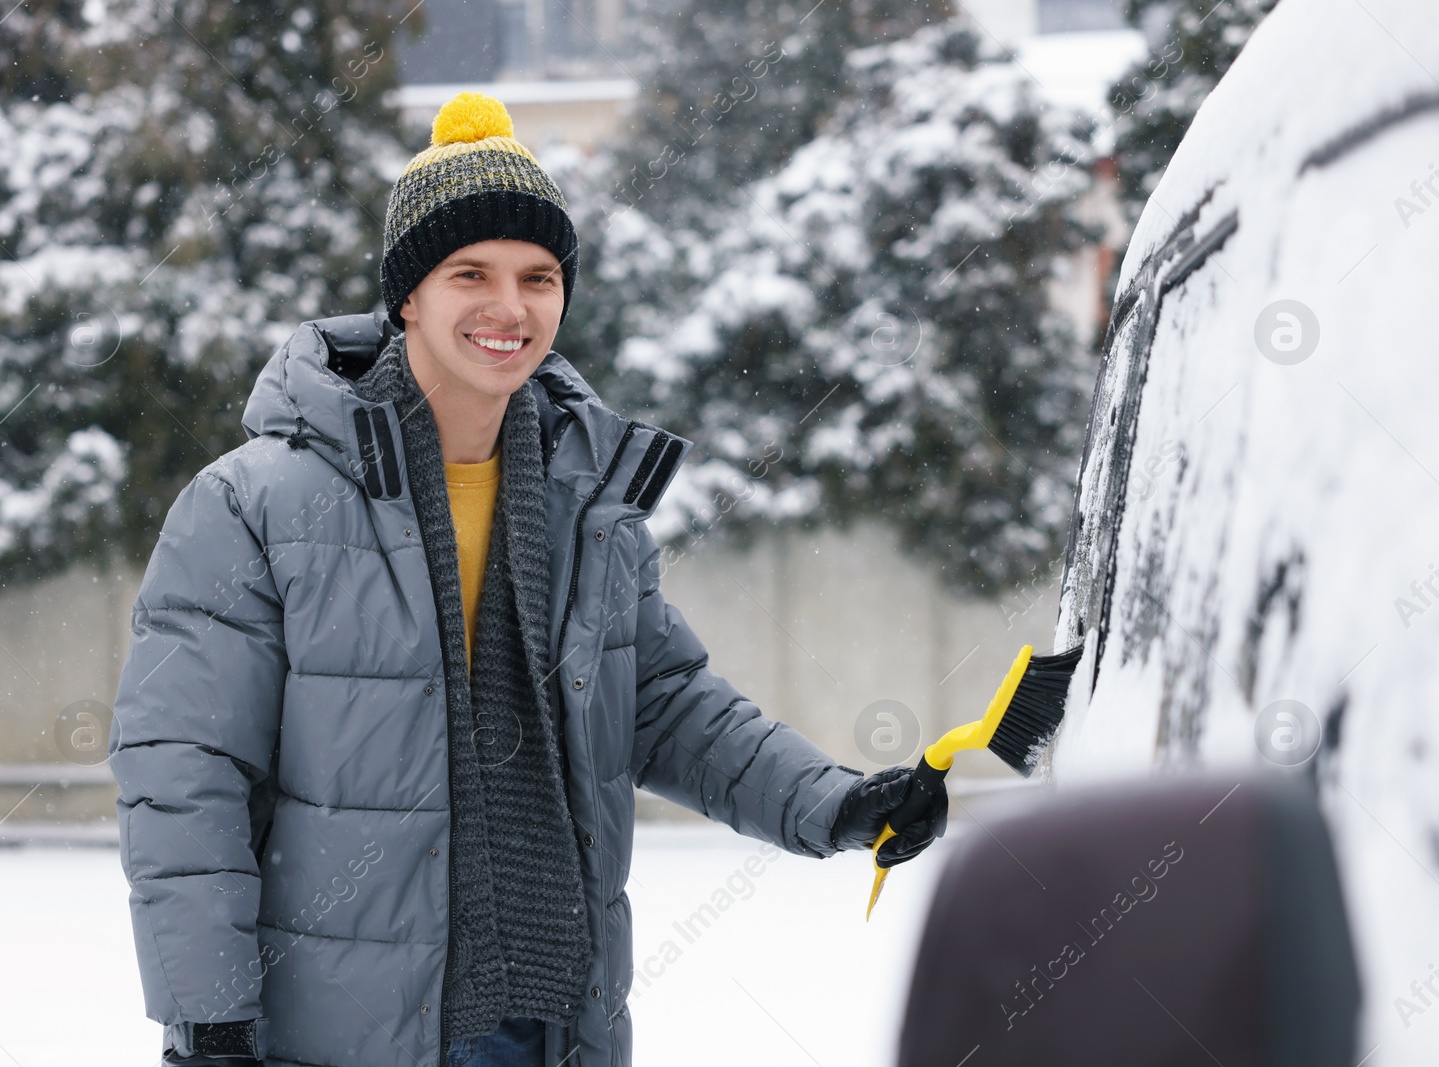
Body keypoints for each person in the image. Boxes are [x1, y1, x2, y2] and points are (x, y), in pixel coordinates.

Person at [109, 90, 947, 1067]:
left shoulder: (579, 501)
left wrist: (833, 802)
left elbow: (661, 699)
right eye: (472, 272)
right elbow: (184, 778)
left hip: (545, 1020)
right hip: (333, 1036)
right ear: (408, 296)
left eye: (539, 276)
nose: (511, 307)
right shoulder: (255, 503)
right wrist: (212, 1024)